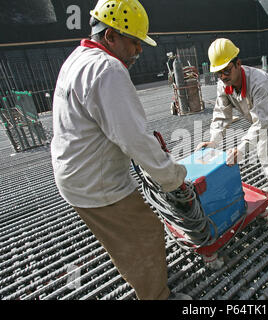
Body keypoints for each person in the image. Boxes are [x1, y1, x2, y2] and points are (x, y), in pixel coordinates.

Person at [50, 0, 191, 300]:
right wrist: (174, 178)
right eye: (134, 42)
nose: (139, 51)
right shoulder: (107, 69)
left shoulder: (78, 58)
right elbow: (135, 139)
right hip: (95, 182)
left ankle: (143, 272)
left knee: (119, 237)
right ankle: (156, 294)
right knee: (145, 235)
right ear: (110, 36)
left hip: (74, 174)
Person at [196, 38, 268, 216]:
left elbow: (261, 122)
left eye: (226, 70)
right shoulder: (224, 85)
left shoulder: (259, 83)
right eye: (219, 73)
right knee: (261, 150)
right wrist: (213, 141)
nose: (223, 76)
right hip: (261, 115)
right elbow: (221, 115)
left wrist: (241, 149)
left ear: (238, 64)